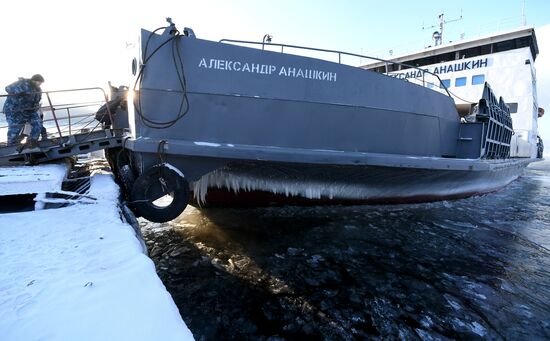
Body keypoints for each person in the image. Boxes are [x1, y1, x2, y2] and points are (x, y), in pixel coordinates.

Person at [3, 74, 45, 147]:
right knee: (15, 129)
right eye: (39, 82)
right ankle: (11, 146)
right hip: (14, 110)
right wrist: (18, 91)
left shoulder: (38, 89)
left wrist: (36, 108)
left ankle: (32, 141)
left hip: (29, 110)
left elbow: (37, 100)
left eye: (41, 83)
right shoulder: (22, 83)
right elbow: (7, 88)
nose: (40, 84)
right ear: (34, 80)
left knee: (38, 124)